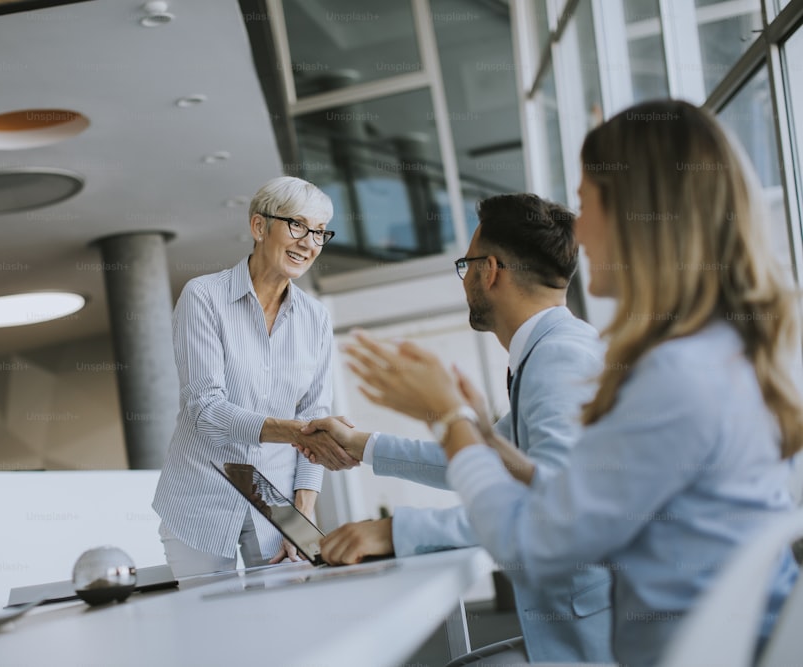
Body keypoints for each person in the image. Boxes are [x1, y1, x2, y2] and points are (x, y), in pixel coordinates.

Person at [344, 99, 802, 667]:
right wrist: (479, 434)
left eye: (586, 203)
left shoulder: (672, 377)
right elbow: (587, 494)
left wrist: (449, 419)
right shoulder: (715, 354)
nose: (578, 231)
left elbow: (534, 542)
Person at [298, 193, 613, 663]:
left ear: (489, 270)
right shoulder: (556, 348)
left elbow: (553, 506)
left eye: (466, 265)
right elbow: (477, 457)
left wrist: (395, 532)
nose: (465, 280)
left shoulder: (557, 358)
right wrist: (362, 446)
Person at [152, 176, 354, 578]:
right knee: (212, 628)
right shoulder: (203, 297)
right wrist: (298, 432)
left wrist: (304, 508)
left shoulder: (315, 318)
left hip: (282, 506)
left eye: (318, 232)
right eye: (297, 225)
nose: (309, 242)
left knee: (287, 627)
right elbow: (205, 411)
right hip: (200, 500)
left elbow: (317, 409)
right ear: (259, 227)